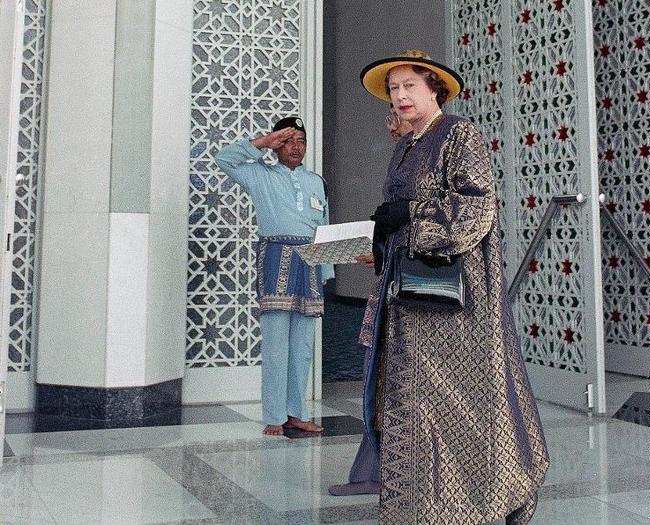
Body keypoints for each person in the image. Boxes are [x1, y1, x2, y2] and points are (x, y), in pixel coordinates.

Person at [330, 50, 550, 524]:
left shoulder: (458, 133)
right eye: (394, 89)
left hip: (453, 302)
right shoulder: (405, 146)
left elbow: (477, 207)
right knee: (412, 399)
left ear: (435, 90)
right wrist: (381, 236)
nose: (401, 96)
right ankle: (416, 504)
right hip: (407, 298)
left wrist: (410, 216)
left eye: (410, 86)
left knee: (455, 403)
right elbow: (401, 215)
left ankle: (472, 501)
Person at [216, 117, 334, 436]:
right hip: (277, 258)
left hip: (310, 261)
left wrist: (326, 271)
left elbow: (324, 227)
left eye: (300, 141)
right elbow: (223, 158)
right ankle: (274, 415)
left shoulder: (316, 181)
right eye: (288, 140)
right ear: (277, 144)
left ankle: (297, 413)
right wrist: (263, 142)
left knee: (303, 345)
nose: (295, 147)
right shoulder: (259, 174)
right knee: (276, 342)